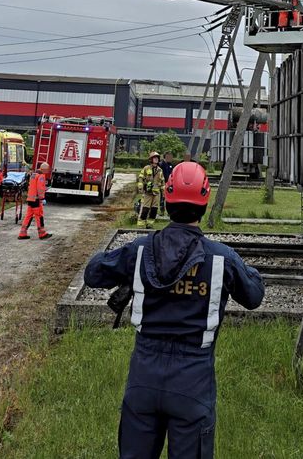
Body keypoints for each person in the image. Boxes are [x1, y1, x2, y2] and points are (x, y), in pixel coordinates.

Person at [84, 161, 264, 459]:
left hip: (144, 374)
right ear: (205, 202)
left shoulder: (141, 250)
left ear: (166, 201)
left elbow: (94, 273)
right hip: (193, 379)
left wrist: (126, 264)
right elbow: (254, 295)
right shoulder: (221, 259)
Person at [18, 162, 52, 240]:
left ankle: (22, 233)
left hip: (30, 199)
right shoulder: (41, 176)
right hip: (36, 200)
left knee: (28, 216)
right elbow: (39, 189)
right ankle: (42, 234)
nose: (48, 171)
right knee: (39, 216)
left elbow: (32, 186)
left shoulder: (34, 174)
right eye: (47, 170)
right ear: (44, 169)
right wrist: (42, 198)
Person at [136, 152, 165, 228]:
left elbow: (162, 181)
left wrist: (164, 191)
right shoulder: (146, 168)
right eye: (154, 158)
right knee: (145, 209)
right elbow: (141, 177)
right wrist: (140, 185)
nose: (156, 159)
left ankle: (150, 224)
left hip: (156, 193)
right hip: (148, 192)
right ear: (151, 159)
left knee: (154, 209)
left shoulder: (160, 170)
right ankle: (141, 225)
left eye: (157, 158)